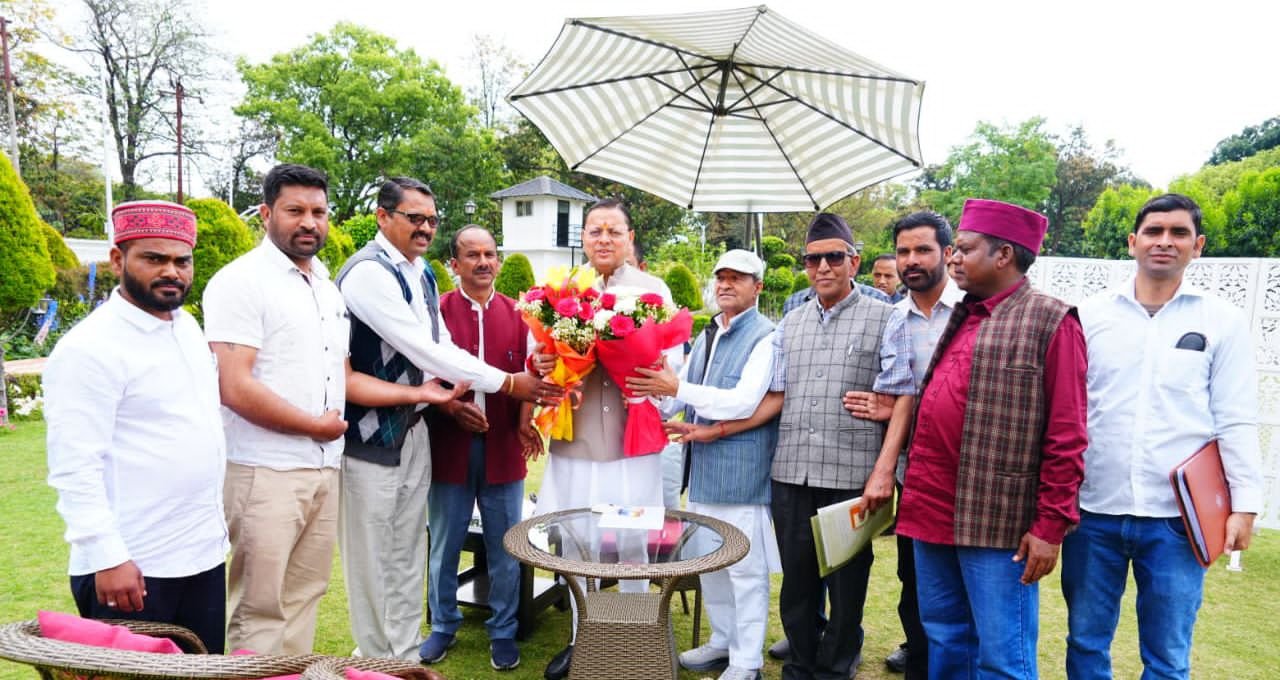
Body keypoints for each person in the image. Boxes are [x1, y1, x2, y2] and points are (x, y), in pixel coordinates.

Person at [205, 165, 460, 655]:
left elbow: (344, 377)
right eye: (295, 211)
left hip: (323, 463)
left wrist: (422, 395)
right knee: (260, 607)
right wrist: (314, 426)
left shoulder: (325, 286)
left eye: (318, 212)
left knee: (304, 597)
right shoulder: (241, 282)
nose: (309, 222)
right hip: (266, 468)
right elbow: (234, 386)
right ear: (266, 214)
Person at [335, 178, 555, 663]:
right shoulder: (369, 274)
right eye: (414, 218)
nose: (425, 228)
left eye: (431, 220)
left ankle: (405, 652)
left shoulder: (421, 275)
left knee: (412, 550)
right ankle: (382, 655)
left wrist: (517, 395)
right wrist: (505, 384)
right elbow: (425, 350)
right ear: (382, 216)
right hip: (381, 437)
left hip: (425, 434)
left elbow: (440, 352)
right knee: (386, 554)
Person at [1063, 193, 1263, 680]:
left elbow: (1235, 417)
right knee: (1086, 641)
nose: (1165, 241)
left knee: (1168, 656)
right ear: (1133, 241)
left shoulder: (1221, 321)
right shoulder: (1089, 315)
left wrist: (1245, 505)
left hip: (1179, 518)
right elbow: (1068, 411)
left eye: (1178, 233)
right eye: (1154, 231)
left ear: (1199, 245)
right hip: (1094, 511)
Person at [896, 198, 1087, 680]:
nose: (954, 259)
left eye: (964, 249)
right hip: (932, 509)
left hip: (998, 520)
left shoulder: (1052, 320)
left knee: (1002, 658)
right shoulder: (965, 313)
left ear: (1004, 255)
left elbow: (1067, 434)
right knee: (945, 637)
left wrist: (1050, 525)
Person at [45, 201, 227, 652]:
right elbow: (74, 466)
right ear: (117, 260)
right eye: (154, 258)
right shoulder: (89, 348)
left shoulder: (186, 329)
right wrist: (107, 556)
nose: (171, 272)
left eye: (182, 261)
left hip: (200, 555)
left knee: (203, 672)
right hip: (131, 566)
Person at [531, 198, 679, 680]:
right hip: (577, 440)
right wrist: (545, 361)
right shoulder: (565, 290)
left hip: (630, 442)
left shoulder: (653, 292)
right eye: (595, 230)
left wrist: (649, 369)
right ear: (583, 237)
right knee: (577, 542)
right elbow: (542, 353)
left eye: (614, 231)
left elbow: (670, 367)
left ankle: (634, 638)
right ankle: (583, 640)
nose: (604, 239)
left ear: (630, 238)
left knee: (632, 541)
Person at [628, 250, 780, 680]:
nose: (726, 284)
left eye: (738, 278)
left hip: (741, 472)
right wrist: (645, 389)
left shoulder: (767, 336)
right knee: (711, 562)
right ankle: (721, 641)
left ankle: (746, 660)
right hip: (700, 469)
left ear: (757, 287)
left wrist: (676, 387)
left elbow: (743, 402)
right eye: (721, 277)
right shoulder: (709, 332)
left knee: (745, 570)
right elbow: (678, 398)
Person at [844, 211, 961, 678]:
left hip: (971, 472)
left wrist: (895, 407)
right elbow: (900, 392)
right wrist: (891, 421)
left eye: (923, 250)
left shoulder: (974, 310)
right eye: (904, 251)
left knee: (968, 590)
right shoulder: (896, 319)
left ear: (947, 253)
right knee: (915, 582)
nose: (912, 260)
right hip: (916, 473)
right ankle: (920, 658)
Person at [421, 225, 538, 671]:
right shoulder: (435, 313)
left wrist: (526, 420)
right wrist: (452, 409)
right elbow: (422, 374)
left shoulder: (522, 314)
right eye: (472, 255)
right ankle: (443, 625)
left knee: (506, 545)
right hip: (449, 444)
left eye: (490, 254)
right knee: (445, 542)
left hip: (504, 445)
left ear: (499, 261)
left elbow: (533, 376)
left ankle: (503, 629)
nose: (483, 262)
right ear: (455, 264)